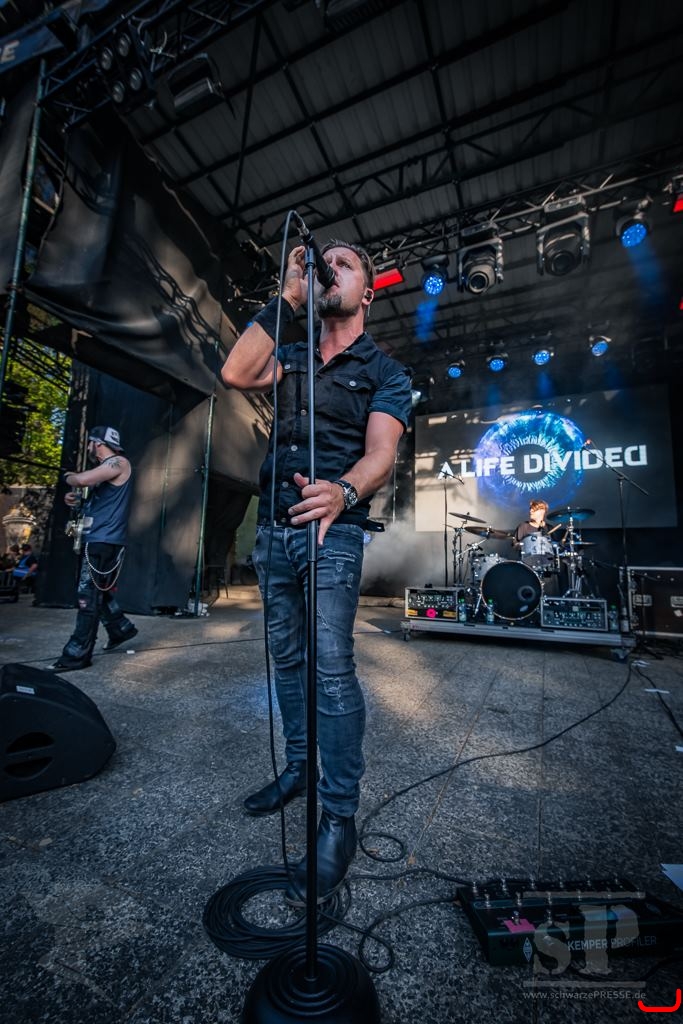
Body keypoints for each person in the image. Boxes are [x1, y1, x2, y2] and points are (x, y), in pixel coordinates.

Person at [221, 239, 412, 903]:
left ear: (367, 292)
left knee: (331, 667)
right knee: (286, 659)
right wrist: (289, 295)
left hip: (334, 532)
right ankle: (300, 767)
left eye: (344, 263)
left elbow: (381, 454)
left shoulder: (384, 370)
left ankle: (338, 816)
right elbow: (235, 372)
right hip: (275, 530)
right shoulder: (293, 353)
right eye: (322, 260)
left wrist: (344, 491)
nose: (330, 268)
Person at [52, 426, 138, 671]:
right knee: (95, 591)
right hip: (96, 538)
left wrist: (68, 476)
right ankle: (120, 628)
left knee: (87, 597)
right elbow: (98, 503)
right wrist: (78, 501)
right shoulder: (105, 472)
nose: (88, 447)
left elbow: (80, 479)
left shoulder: (118, 462)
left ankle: (76, 655)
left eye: (90, 443)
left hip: (103, 540)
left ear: (96, 443)